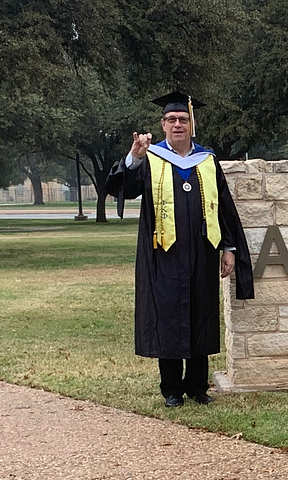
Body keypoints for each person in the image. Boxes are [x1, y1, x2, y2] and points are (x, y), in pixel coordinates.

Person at [105, 91, 254, 407]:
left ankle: (199, 386)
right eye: (171, 119)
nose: (177, 124)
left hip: (202, 251)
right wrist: (134, 158)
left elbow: (223, 206)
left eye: (183, 119)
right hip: (163, 255)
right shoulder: (152, 158)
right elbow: (125, 189)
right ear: (162, 124)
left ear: (191, 124)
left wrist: (228, 248)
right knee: (169, 315)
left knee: (201, 312)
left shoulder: (207, 160)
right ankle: (172, 388)